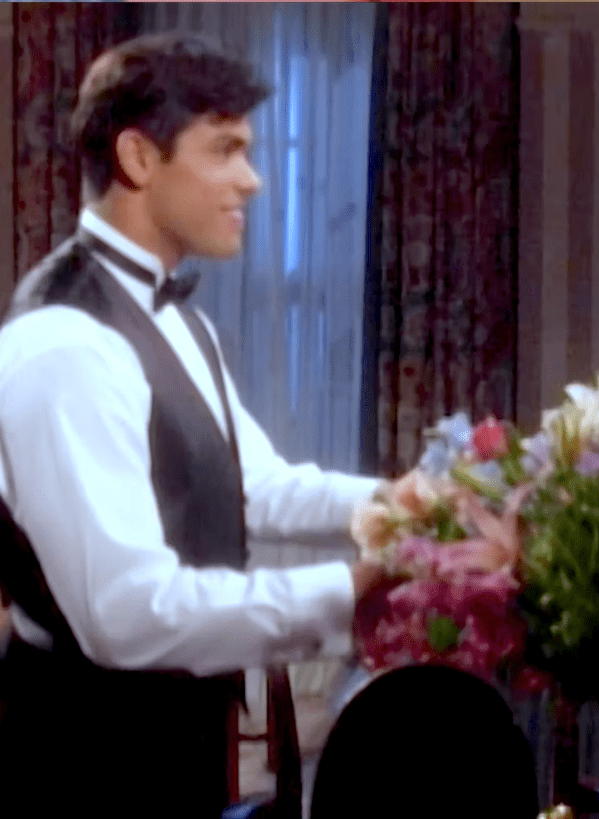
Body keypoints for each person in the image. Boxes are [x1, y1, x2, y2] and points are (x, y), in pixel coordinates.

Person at [0, 32, 387, 817]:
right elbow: (126, 616)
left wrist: (398, 504)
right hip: (85, 766)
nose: (253, 179)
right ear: (139, 157)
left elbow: (249, 485)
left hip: (179, 744)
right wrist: (348, 593)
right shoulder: (63, 342)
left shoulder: (182, 320)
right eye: (225, 150)